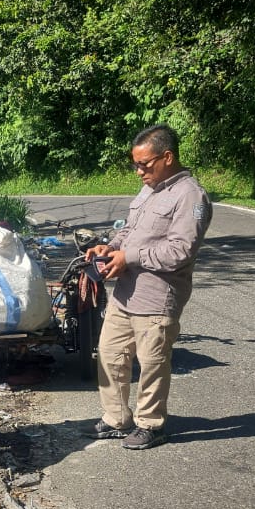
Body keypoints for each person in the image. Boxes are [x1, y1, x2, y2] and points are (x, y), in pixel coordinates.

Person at [85, 124, 212, 450]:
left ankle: (151, 424)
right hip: (126, 294)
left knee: (153, 363)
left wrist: (130, 257)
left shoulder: (191, 197)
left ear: (167, 157)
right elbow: (130, 230)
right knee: (110, 355)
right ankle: (116, 419)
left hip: (158, 297)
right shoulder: (149, 189)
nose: (139, 171)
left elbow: (181, 251)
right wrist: (109, 247)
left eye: (145, 164)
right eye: (136, 164)